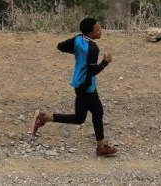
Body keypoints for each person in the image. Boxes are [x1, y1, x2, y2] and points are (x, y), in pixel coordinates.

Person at [32, 16, 117, 157]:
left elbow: (60, 46)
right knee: (83, 117)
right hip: (86, 86)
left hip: (79, 82)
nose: (100, 31)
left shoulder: (78, 39)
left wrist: (78, 51)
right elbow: (92, 71)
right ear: (91, 34)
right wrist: (105, 62)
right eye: (97, 30)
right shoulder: (93, 48)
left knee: (95, 113)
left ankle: (101, 146)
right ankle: (44, 117)